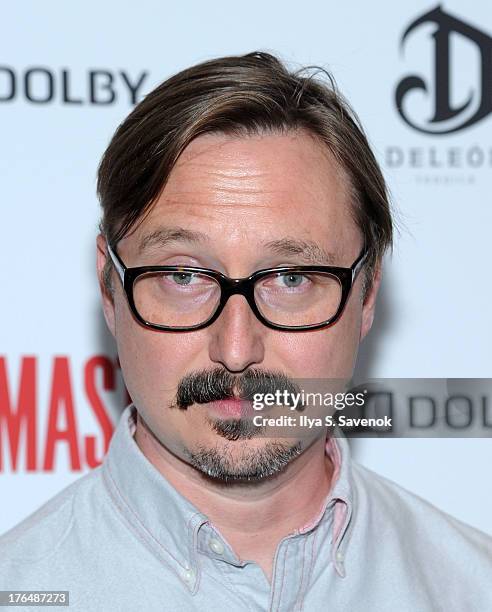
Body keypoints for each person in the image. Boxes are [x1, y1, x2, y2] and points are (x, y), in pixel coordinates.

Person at [1, 51, 491, 611]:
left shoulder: (473, 587)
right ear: (109, 285)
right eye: (184, 275)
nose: (236, 349)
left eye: (291, 277)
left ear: (368, 293)